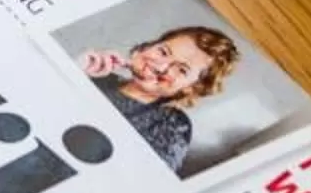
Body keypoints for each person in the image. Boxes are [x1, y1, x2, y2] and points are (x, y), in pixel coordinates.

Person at [80, 26, 239, 173]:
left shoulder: (174, 125)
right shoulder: (96, 75)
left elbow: (144, 183)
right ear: (149, 46)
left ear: (191, 88)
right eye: (163, 52)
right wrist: (78, 68)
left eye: (182, 70)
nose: (161, 67)